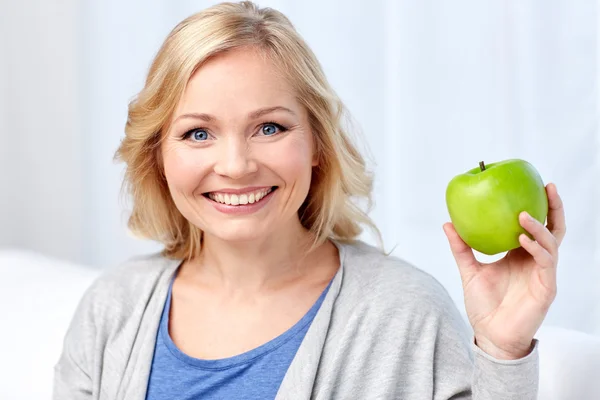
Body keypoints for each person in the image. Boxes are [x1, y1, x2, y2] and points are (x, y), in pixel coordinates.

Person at [53, 1, 567, 399]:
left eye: (269, 127)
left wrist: (503, 352)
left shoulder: (404, 313)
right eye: (197, 134)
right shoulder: (112, 308)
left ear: (318, 144)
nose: (235, 165)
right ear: (158, 156)